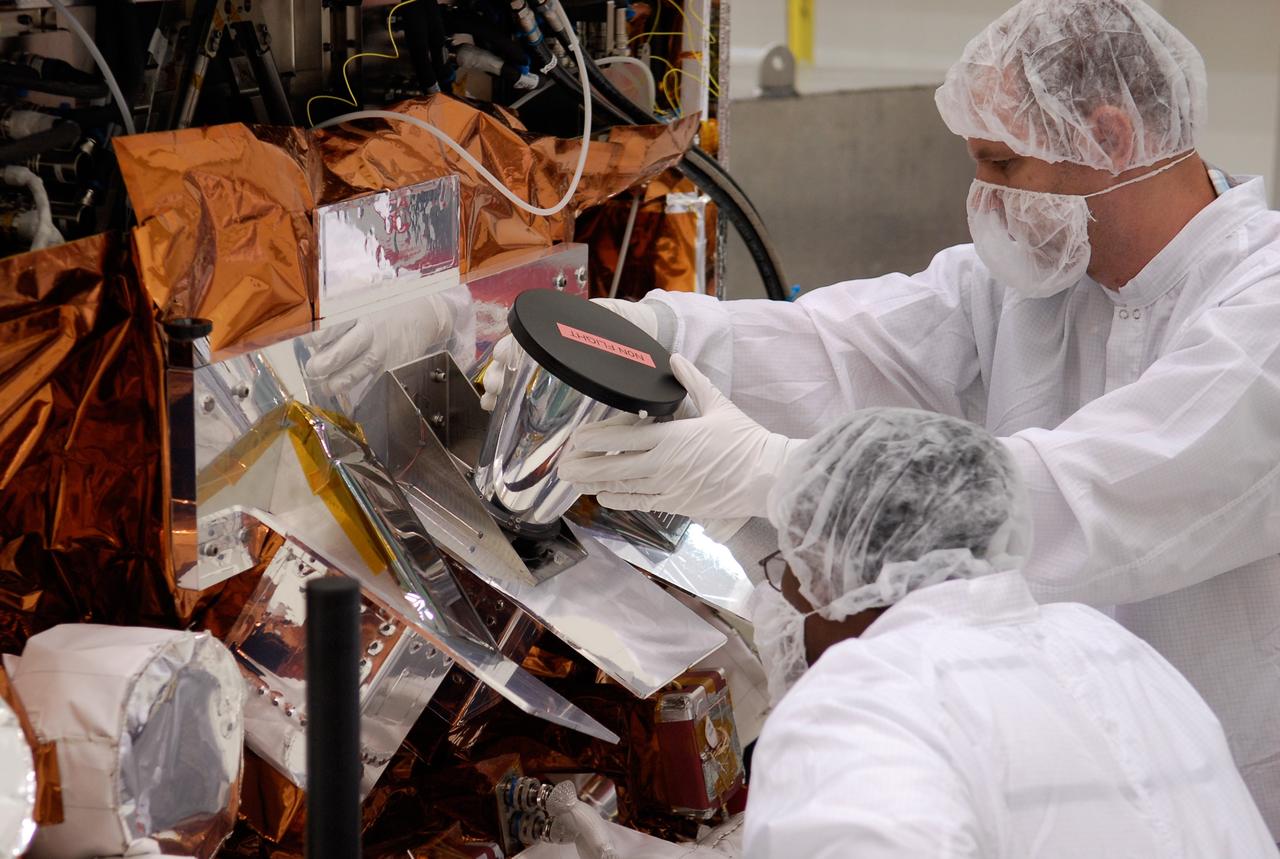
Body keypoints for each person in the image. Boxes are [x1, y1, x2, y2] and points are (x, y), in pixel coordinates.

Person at [484, 0, 1280, 833]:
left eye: (1004, 166)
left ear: (1112, 140)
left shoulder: (1257, 311)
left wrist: (777, 475)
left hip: (1229, 791)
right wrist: (652, 333)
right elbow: (844, 346)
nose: (987, 200)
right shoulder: (1035, 286)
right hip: (1046, 786)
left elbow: (1096, 494)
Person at [741, 408, 1276, 858]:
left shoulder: (856, 703)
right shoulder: (1106, 644)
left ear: (835, 575)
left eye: (787, 565)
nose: (779, 597)